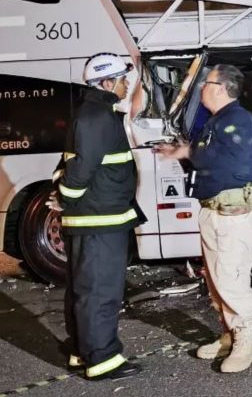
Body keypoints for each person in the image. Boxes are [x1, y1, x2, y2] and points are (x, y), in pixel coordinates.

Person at [154, 64, 252, 373]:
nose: (201, 88)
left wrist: (188, 151)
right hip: (213, 210)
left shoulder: (237, 119)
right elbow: (204, 152)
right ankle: (228, 334)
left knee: (231, 277)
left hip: (231, 214)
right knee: (215, 280)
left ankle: (246, 342)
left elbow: (214, 156)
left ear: (220, 87)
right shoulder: (218, 121)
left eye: (205, 82)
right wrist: (182, 151)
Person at [53, 53, 142, 380]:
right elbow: (79, 171)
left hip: (93, 219)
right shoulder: (98, 118)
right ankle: (103, 360)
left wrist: (65, 198)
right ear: (106, 83)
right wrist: (65, 198)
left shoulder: (93, 114)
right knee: (100, 291)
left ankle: (82, 351)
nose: (125, 84)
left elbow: (73, 165)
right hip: (100, 220)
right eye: (121, 79)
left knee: (84, 289)